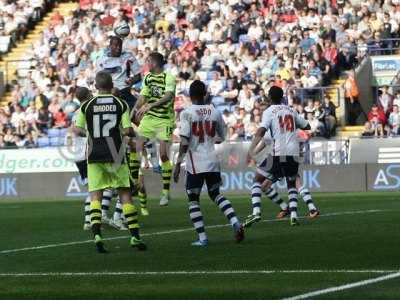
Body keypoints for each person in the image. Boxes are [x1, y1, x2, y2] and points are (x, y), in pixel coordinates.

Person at [74, 71, 146, 253]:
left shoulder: (86, 106)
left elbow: (77, 129)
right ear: (112, 84)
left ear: (96, 87)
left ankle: (97, 235)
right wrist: (120, 132)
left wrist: (91, 134)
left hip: (94, 154)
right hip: (116, 154)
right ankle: (135, 237)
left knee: (96, 195)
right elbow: (129, 130)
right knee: (125, 194)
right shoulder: (120, 103)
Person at [173, 80, 244, 246]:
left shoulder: (187, 113)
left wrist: (177, 165)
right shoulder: (214, 111)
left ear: (190, 95)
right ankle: (235, 222)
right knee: (216, 194)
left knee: (193, 199)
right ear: (204, 93)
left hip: (195, 163)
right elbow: (222, 137)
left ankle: (202, 238)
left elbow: (184, 142)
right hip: (212, 160)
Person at [247, 86, 311, 226]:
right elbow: (307, 126)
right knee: (291, 183)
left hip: (279, 153)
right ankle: (293, 215)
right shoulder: (291, 110)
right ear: (282, 97)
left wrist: (251, 150)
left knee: (257, 180)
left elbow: (261, 131)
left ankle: (256, 212)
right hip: (294, 153)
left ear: (269, 97)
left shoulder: (269, 112)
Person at [135, 52, 176, 206]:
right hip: (149, 119)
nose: (146, 63)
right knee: (136, 149)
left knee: (164, 155)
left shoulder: (169, 77)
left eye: (147, 61)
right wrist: (135, 109)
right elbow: (143, 96)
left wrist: (150, 105)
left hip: (165, 119)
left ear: (154, 62)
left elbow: (168, 96)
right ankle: (135, 182)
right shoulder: (147, 77)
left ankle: (166, 192)